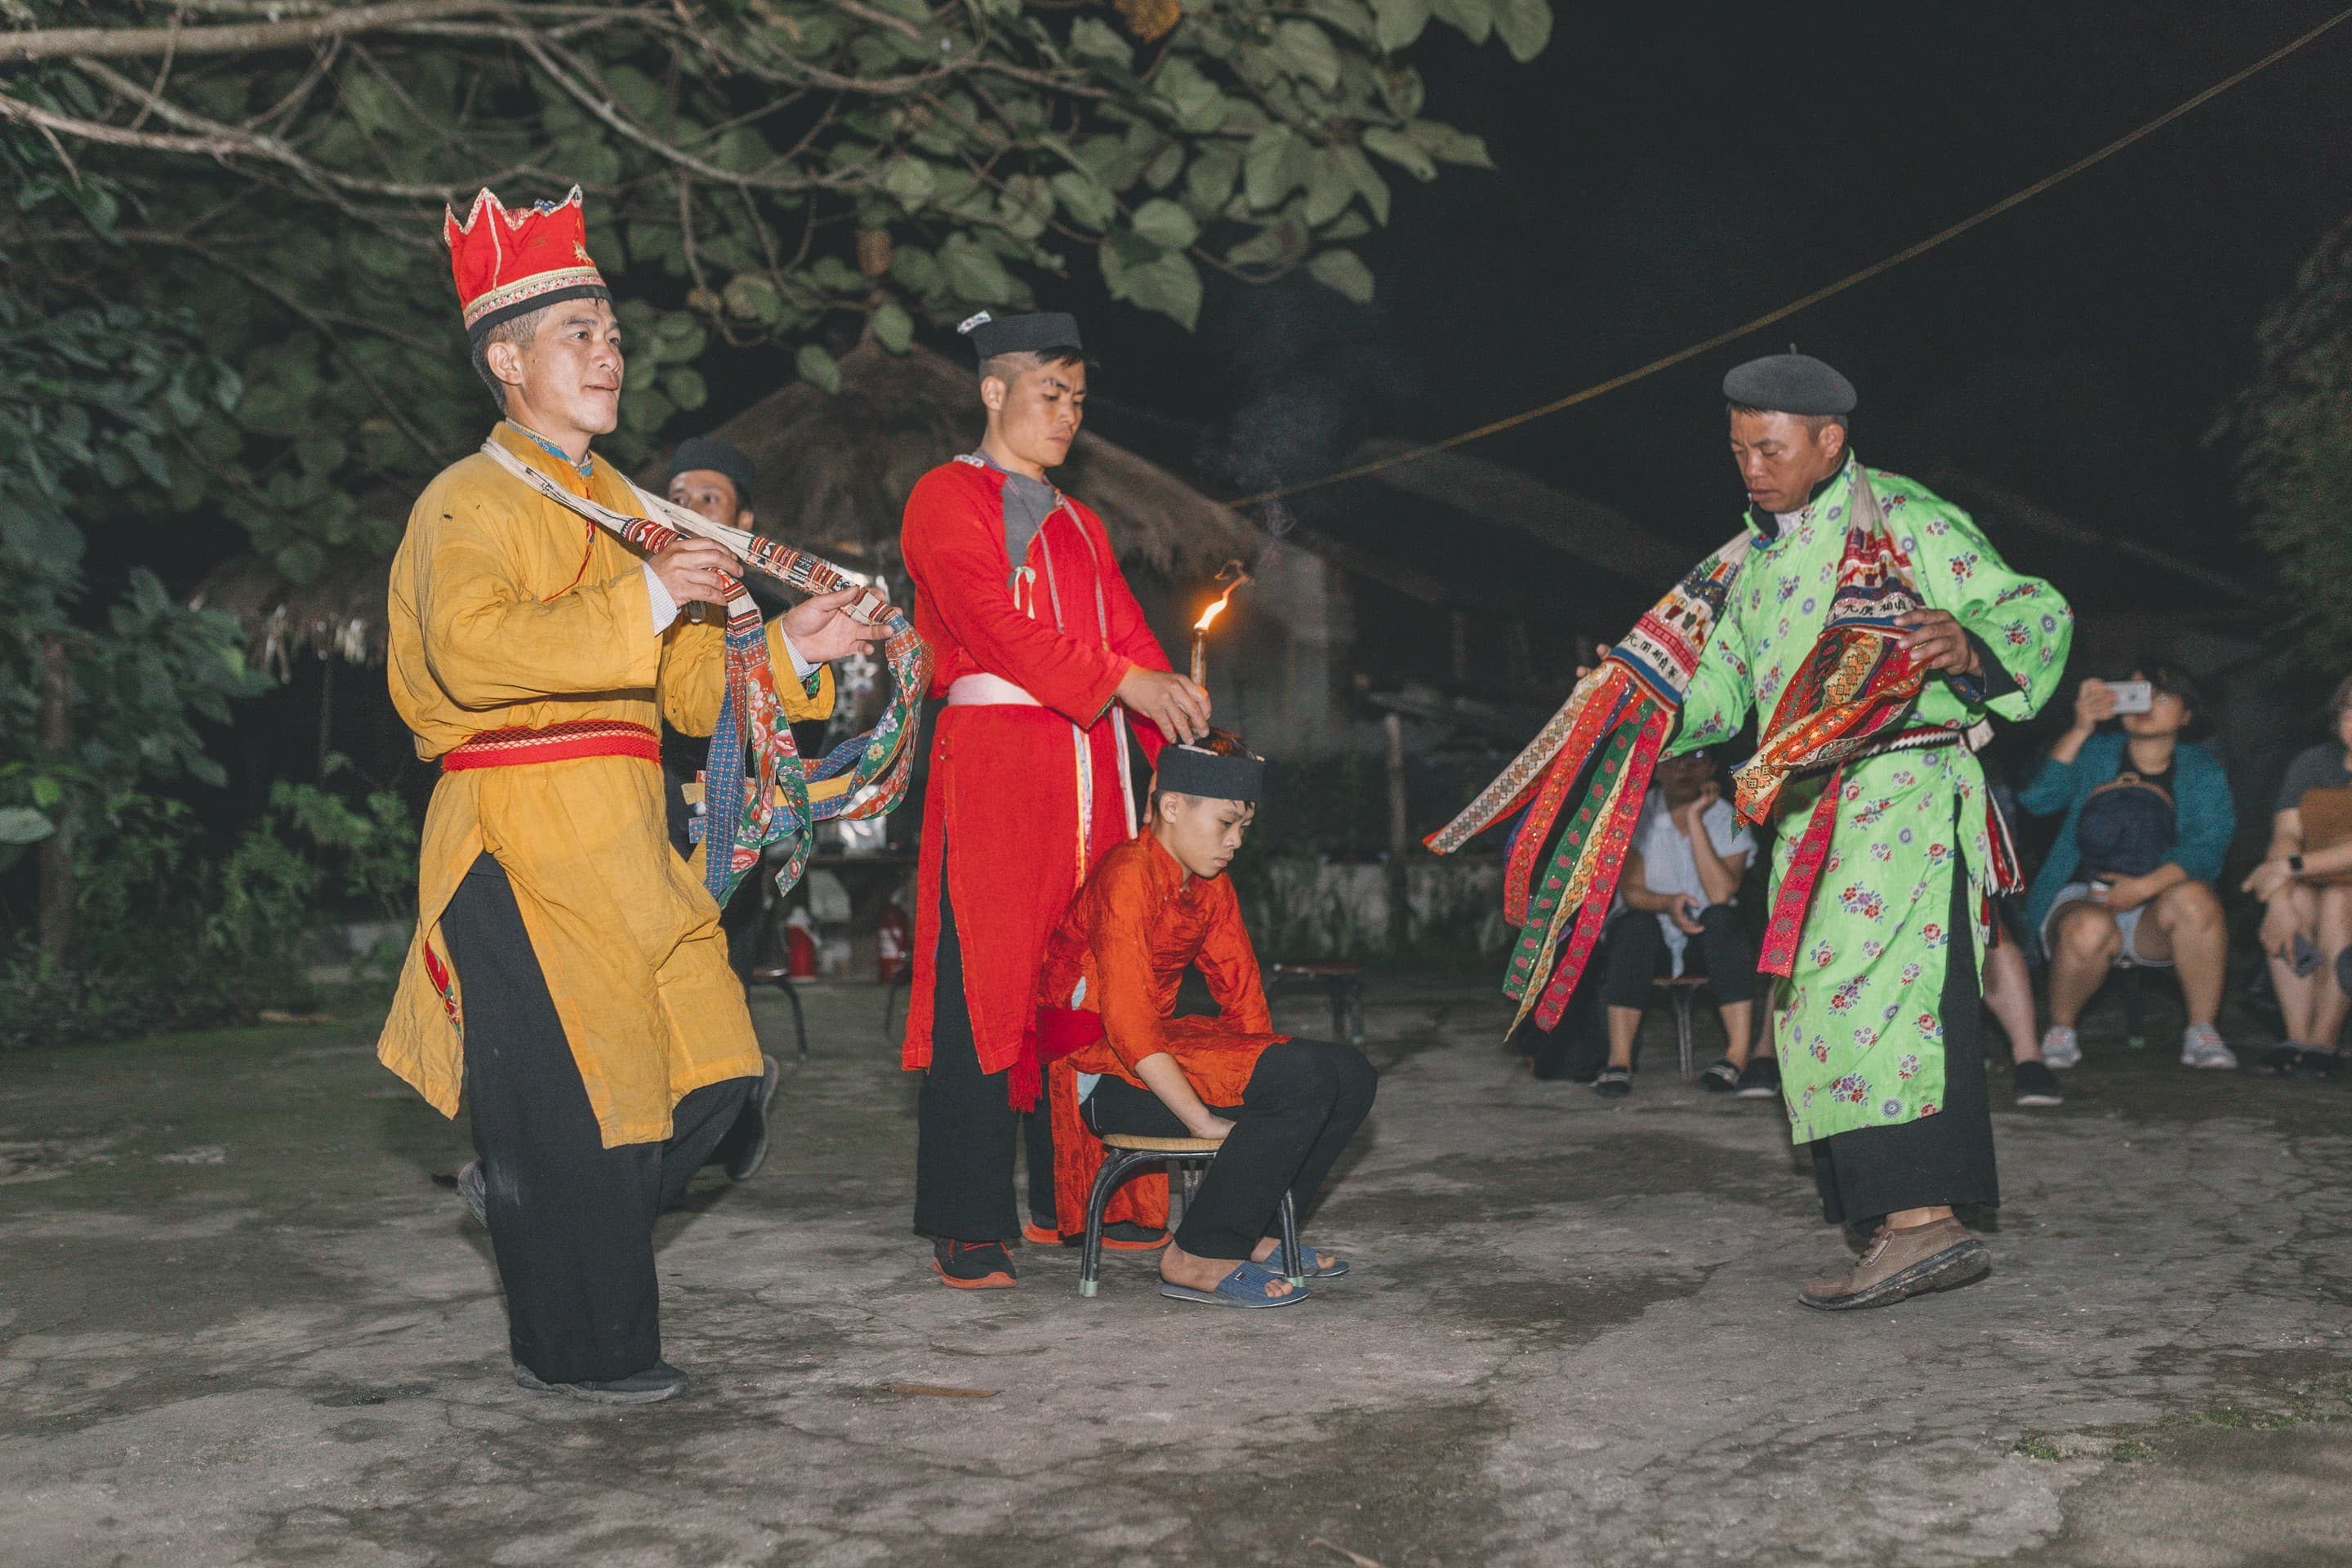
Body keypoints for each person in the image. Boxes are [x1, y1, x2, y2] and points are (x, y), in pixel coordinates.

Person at [377, 188, 871, 1404]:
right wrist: (651, 599)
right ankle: (583, 1354)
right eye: (577, 333)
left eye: (610, 330)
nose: (610, 352)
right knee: (587, 1122)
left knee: (715, 1083)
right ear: (507, 358)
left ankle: (530, 1193)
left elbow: (697, 694)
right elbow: (469, 652)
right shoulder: (466, 501)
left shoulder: (626, 510)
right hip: (519, 843)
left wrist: (799, 647)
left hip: (627, 841)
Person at [1670, 353, 2074, 1311]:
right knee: (1821, 1006)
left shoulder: (1905, 520)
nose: (1752, 468)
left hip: (1904, 796)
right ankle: (1889, 1226)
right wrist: (1639, 698)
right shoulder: (1752, 560)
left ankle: (1927, 1222)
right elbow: (1722, 684)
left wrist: (1971, 645)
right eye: (1738, 450)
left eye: (1770, 448)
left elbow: (2030, 608)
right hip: (1809, 812)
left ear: (1829, 442)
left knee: (1888, 999)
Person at [898, 310, 1211, 1289]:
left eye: (1079, 398)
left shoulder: (1084, 524)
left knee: (1092, 986)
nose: (1069, 414)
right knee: (984, 987)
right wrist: (1123, 685)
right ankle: (967, 1222)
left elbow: (1133, 641)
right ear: (995, 390)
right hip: (995, 767)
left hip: (1095, 775)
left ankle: (1087, 1204)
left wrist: (1190, 746)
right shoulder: (945, 497)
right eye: (1051, 393)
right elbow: (986, 622)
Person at [1035, 733, 1378, 1307]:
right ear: (1172, 807)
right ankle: (1195, 1255)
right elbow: (1126, 1022)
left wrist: (1262, 1072)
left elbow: (1243, 996)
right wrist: (1201, 1118)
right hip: (1102, 1071)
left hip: (1159, 1051)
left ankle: (1260, 1230)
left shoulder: (1210, 885)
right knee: (1306, 1077)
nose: (1235, 842)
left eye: (1243, 827)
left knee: (1347, 1071)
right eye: (1225, 824)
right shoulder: (1127, 873)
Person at [2019, 664, 2237, 1073]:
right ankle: (2060, 1030)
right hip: (2082, 896)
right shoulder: (2096, 753)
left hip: (2158, 908)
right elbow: (2036, 800)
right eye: (2136, 693)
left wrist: (2145, 886)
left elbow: (2209, 847)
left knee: (2196, 898)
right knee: (2089, 926)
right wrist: (2081, 727)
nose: (2146, 704)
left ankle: (2202, 1031)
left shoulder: (2202, 770)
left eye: (2162, 695)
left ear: (2187, 715)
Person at [1591, 748, 1760, 1099]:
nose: (1684, 768)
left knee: (1722, 919)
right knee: (1634, 925)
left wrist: (1697, 818)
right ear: (1654, 769)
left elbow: (1721, 891)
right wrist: (1668, 904)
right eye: (1673, 759)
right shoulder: (1637, 816)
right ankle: (1618, 1061)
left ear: (1712, 766)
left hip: (1706, 942)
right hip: (1652, 940)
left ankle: (1737, 1056)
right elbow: (1632, 891)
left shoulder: (1729, 816)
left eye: (1697, 757)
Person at [2239, 675, 2352, 1076]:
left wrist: (2288, 870)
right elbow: (2287, 833)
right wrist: (2279, 898)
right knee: (2299, 902)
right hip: (2313, 880)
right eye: (2349, 709)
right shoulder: (2313, 764)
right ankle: (2297, 1039)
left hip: (2341, 888)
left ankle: (2326, 1042)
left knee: (2341, 899)